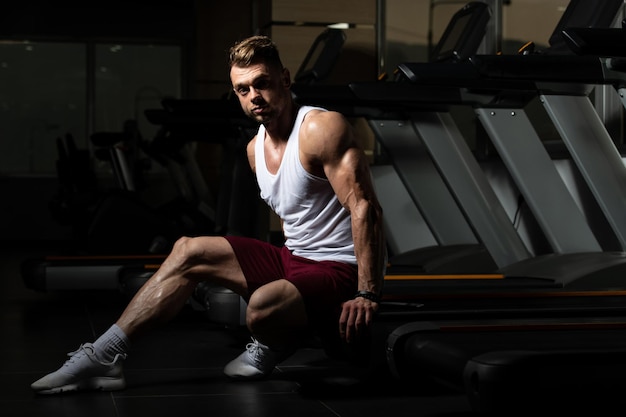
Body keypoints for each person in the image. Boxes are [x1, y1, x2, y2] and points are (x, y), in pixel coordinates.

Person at [31, 34, 386, 394]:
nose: (254, 97)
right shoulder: (254, 150)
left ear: (285, 79)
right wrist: (282, 269)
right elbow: (296, 216)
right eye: (243, 89)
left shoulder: (319, 129)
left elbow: (365, 207)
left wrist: (367, 292)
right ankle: (105, 354)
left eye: (261, 83)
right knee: (188, 249)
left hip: (340, 267)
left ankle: (273, 342)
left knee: (262, 308)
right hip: (294, 257)